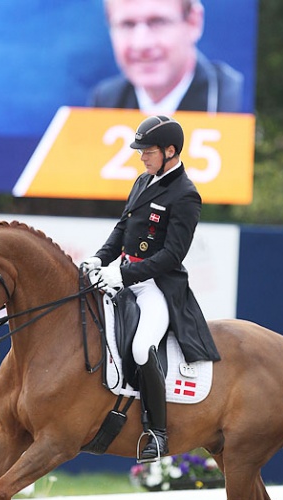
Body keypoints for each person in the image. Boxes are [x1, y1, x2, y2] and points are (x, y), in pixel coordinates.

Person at [81, 115, 220, 462]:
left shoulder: (187, 195)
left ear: (170, 151)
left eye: (148, 151)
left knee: (143, 348)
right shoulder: (143, 181)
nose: (142, 156)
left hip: (157, 286)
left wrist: (126, 276)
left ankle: (157, 433)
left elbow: (172, 255)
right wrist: (101, 259)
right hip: (127, 275)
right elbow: (122, 229)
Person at [89, 0, 243, 114]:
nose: (141, 44)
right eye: (127, 24)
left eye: (158, 22)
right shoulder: (105, 101)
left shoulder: (231, 100)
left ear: (193, 22)